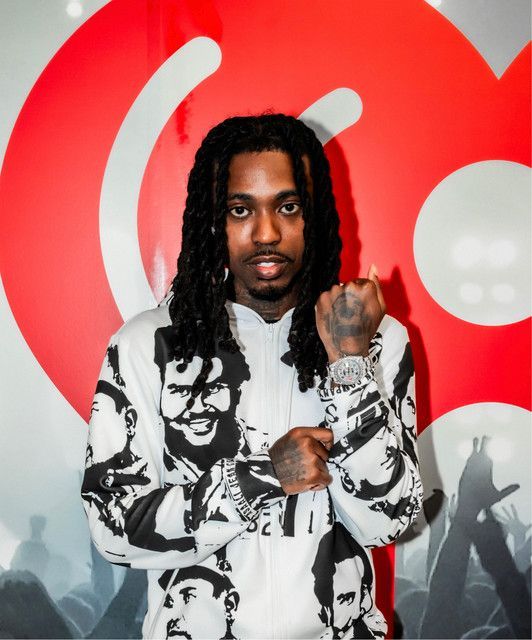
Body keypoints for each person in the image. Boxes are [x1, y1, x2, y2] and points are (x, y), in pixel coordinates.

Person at [81, 113, 423, 639]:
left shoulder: (375, 337)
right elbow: (112, 528)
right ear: (213, 220)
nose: (266, 234)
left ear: (314, 216)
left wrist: (349, 362)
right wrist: (262, 476)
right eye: (241, 210)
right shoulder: (150, 344)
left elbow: (390, 519)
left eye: (288, 207)